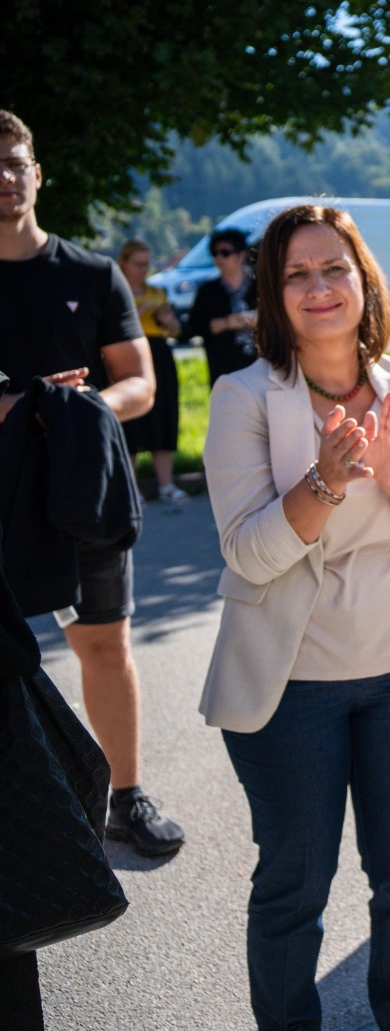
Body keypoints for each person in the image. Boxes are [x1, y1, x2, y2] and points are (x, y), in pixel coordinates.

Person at [201, 203, 390, 1030]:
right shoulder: (243, 397)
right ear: (274, 295)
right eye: (297, 274)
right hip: (292, 684)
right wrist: (326, 481)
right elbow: (249, 554)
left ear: (364, 280)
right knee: (295, 883)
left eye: (334, 268)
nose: (319, 287)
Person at [0, 108, 186, 858]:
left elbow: (138, 383)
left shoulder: (91, 273)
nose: (5, 178)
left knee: (104, 646)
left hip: (79, 489)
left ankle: (126, 797)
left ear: (38, 174)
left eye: (15, 163)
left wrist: (75, 409)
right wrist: (20, 406)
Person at [117, 238, 188, 503]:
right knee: (130, 420)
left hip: (159, 354)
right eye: (138, 264)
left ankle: (166, 484)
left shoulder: (157, 292)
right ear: (124, 263)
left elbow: (176, 330)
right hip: (127, 355)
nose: (144, 270)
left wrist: (168, 321)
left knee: (163, 415)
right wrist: (137, 312)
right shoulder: (115, 290)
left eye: (147, 264)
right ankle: (130, 488)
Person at [188, 227, 258, 384]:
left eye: (225, 253)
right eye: (215, 253)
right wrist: (226, 323)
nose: (219, 258)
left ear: (241, 255)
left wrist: (258, 320)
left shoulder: (261, 286)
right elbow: (193, 327)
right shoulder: (208, 291)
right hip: (223, 368)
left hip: (260, 366)